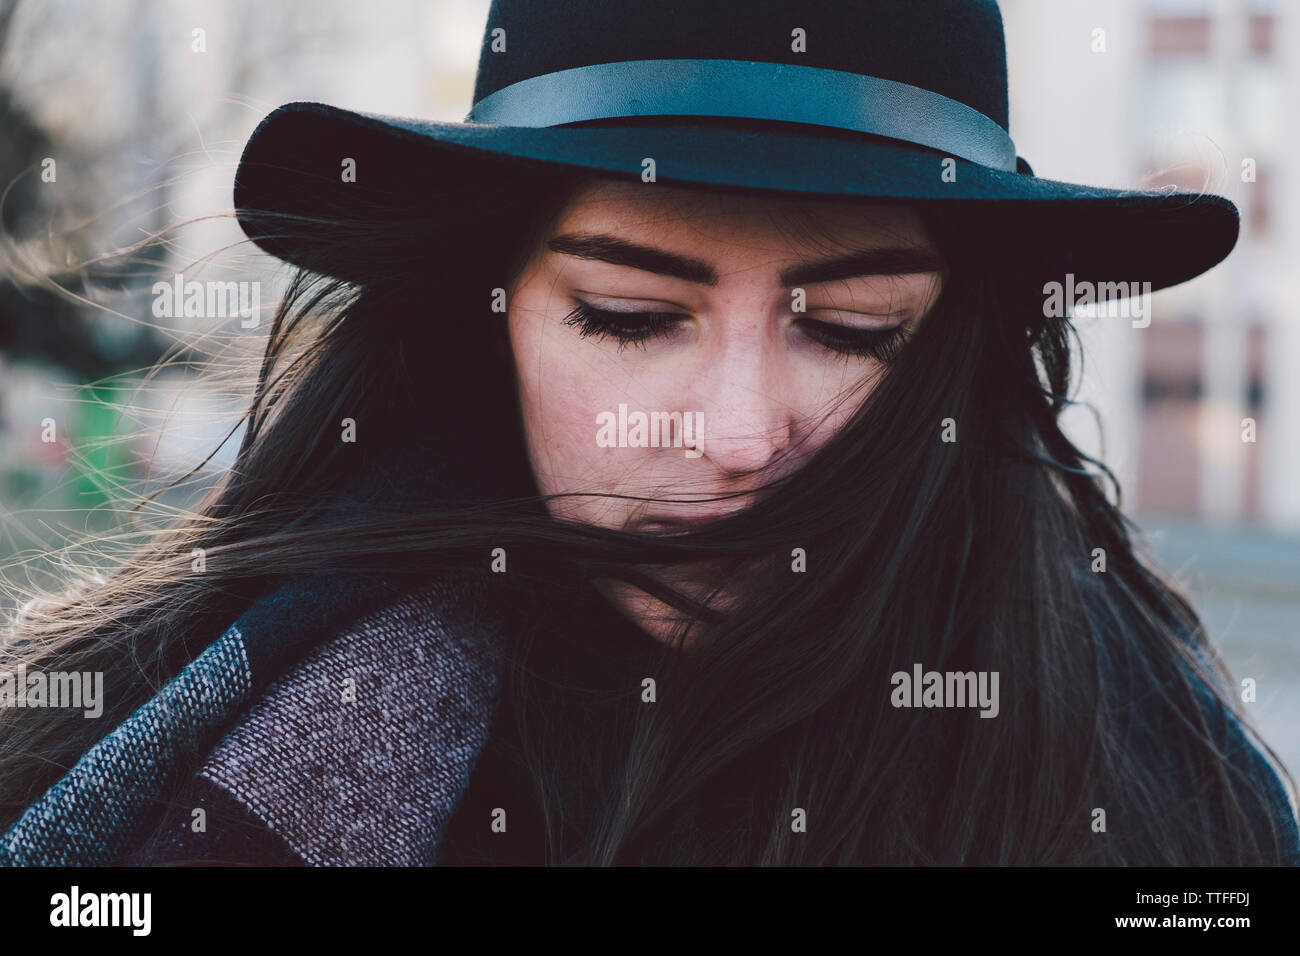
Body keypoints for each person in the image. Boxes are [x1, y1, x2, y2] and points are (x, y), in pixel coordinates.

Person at [1, 0, 1296, 867]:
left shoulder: (1179, 795)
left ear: (956, 346)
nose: (737, 435)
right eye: (629, 317)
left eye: (849, 330)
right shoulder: (164, 743)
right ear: (485, 318)